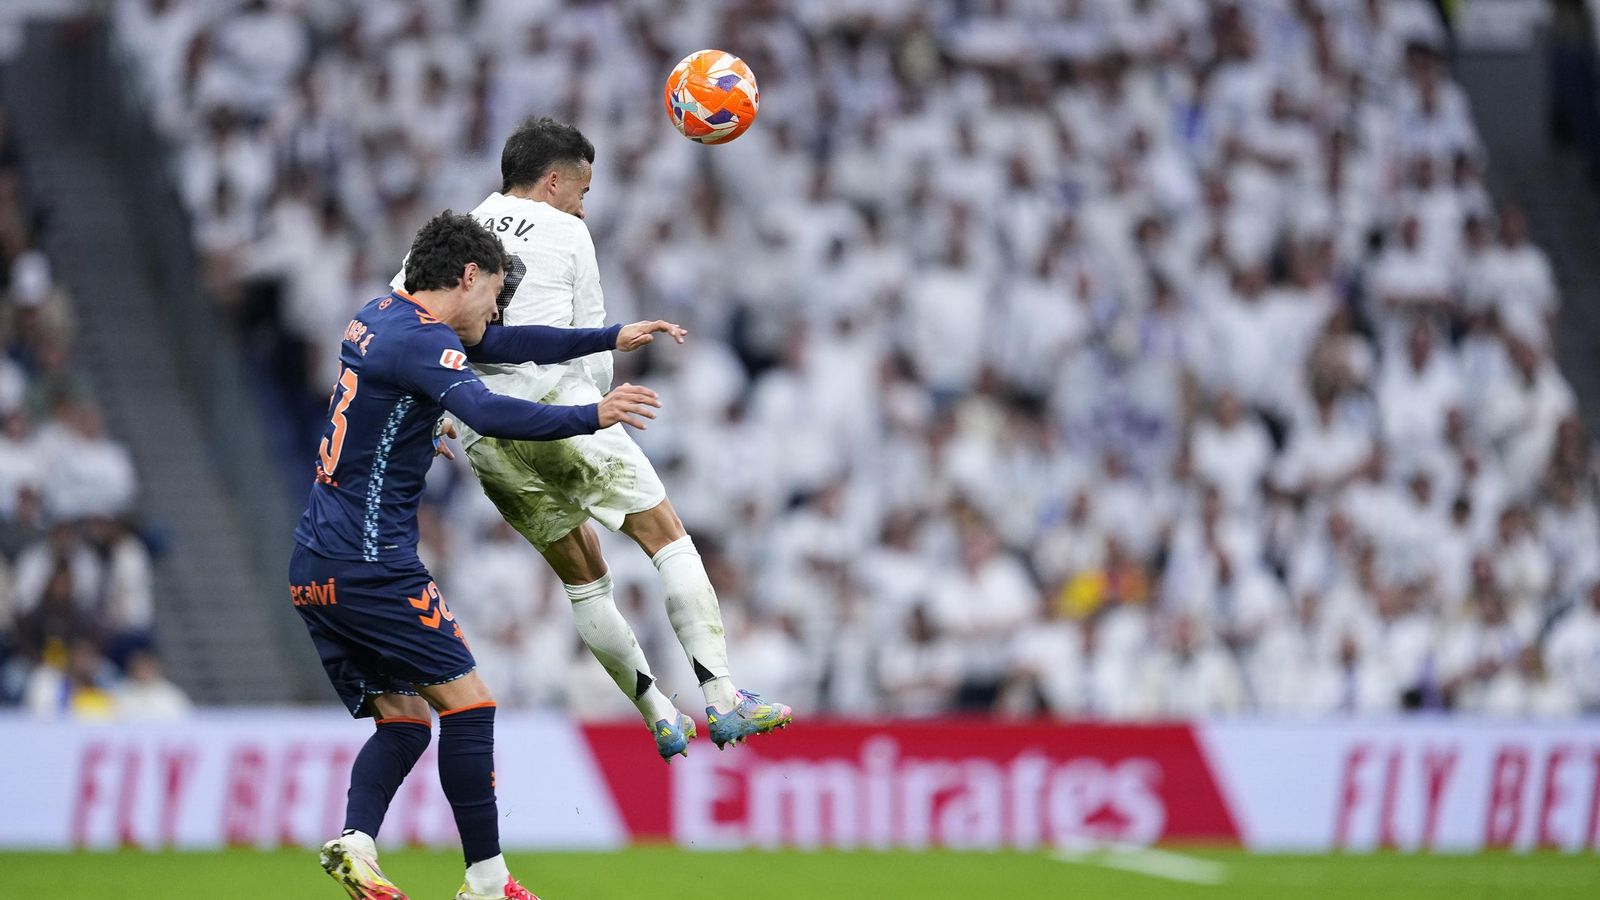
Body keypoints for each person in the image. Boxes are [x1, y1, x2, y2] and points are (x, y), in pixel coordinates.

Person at [297, 211, 677, 900]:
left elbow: (503, 345)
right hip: (371, 563)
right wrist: (595, 414)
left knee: (406, 721)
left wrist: (605, 336)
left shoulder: (377, 316)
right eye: (495, 291)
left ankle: (356, 840)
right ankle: (486, 881)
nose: (497, 308)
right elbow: (493, 412)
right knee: (470, 706)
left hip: (315, 567)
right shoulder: (423, 342)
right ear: (467, 276)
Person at [393, 117, 791, 761]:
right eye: (582, 188)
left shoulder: (455, 233)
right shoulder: (567, 232)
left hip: (484, 433)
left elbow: (406, 323)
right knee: (668, 540)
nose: (584, 202)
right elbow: (587, 341)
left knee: (585, 583)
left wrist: (432, 413)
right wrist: (598, 408)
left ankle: (658, 713)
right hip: (562, 410)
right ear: (553, 181)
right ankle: (720, 698)